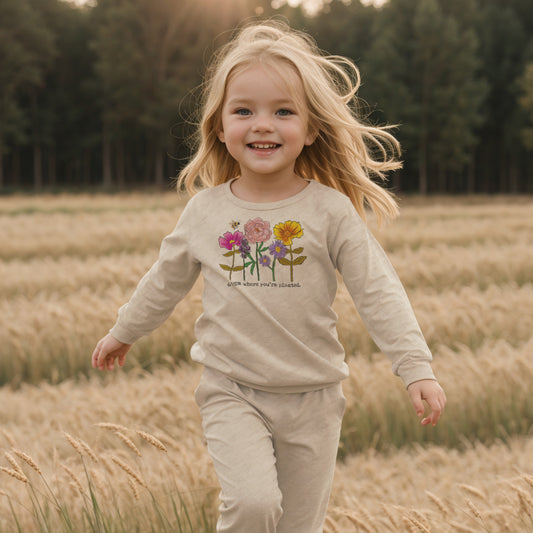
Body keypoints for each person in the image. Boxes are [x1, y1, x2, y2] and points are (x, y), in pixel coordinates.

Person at [92, 21, 446, 533]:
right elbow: (164, 281)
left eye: (283, 111)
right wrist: (124, 330)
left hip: (315, 398)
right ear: (219, 126)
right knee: (253, 506)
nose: (263, 124)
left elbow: (378, 290)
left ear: (312, 128)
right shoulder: (205, 212)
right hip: (231, 389)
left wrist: (416, 366)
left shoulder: (331, 212)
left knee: (297, 527)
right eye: (244, 111)